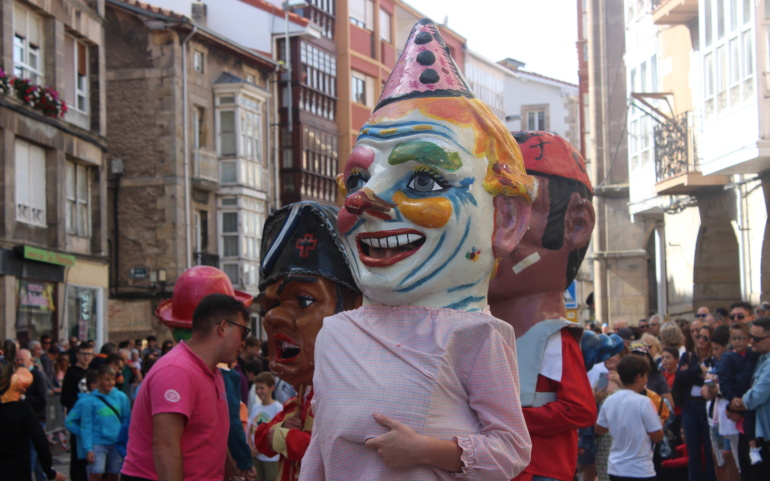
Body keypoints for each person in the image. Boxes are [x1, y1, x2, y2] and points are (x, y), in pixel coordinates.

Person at [302, 19, 533, 480]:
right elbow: (321, 449)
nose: (362, 200)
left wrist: (428, 450)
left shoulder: (473, 334)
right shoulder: (334, 335)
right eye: (358, 179)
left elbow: (511, 450)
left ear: (505, 220)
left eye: (423, 180)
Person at [488, 130, 597, 481]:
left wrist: (513, 419)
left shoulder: (553, 337)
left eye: (514, 208)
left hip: (540, 470)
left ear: (576, 223)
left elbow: (580, 408)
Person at [253, 201, 362, 481]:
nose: (273, 317)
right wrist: (287, 435)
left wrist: (283, 435)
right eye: (271, 305)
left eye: (303, 300)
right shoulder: (297, 401)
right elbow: (259, 438)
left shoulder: (357, 401)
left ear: (355, 306)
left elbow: (322, 449)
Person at [121, 293, 251, 481]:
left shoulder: (213, 372)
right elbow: (165, 446)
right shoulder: (177, 371)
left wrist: (231, 476)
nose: (244, 342)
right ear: (222, 328)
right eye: (244, 332)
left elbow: (212, 438)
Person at [596, 355, 664, 481]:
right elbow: (657, 436)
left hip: (616, 468)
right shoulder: (645, 403)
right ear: (639, 378)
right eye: (645, 376)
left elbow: (600, 428)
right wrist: (659, 424)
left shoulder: (610, 400)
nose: (646, 380)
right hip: (640, 469)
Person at [0, 360, 66, 481]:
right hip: (17, 469)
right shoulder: (22, 408)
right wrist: (49, 470)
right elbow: (39, 439)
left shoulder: (22, 407)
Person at [730, 317, 770, 478]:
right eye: (750, 337)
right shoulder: (759, 357)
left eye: (757, 338)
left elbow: (754, 397)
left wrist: (734, 405)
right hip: (755, 432)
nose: (751, 342)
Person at [720, 321, 761, 476]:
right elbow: (724, 382)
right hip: (737, 396)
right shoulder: (728, 357)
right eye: (734, 339)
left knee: (750, 419)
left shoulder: (754, 354)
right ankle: (752, 449)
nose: (737, 342)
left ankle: (753, 448)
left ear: (748, 338)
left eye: (741, 338)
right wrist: (732, 399)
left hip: (751, 394)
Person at [676, 324, 717, 481]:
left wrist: (690, 372)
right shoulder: (688, 356)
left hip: (707, 404)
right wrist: (699, 370)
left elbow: (711, 379)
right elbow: (680, 376)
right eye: (699, 336)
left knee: (709, 450)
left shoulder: (714, 359)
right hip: (690, 405)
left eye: (705, 338)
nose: (700, 340)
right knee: (693, 452)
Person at [78, 365, 130, 481]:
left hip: (116, 442)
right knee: (96, 473)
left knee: (114, 474)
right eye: (107, 379)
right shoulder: (89, 400)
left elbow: (126, 421)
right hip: (98, 442)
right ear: (99, 380)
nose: (111, 382)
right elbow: (86, 425)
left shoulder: (121, 397)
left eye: (112, 379)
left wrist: (126, 443)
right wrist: (88, 448)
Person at [61, 341, 94, 481]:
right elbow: (65, 398)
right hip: (77, 418)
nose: (86, 357)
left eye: (89, 354)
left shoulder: (93, 372)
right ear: (77, 355)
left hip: (92, 418)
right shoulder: (71, 373)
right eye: (83, 354)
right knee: (77, 452)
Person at [248, 372, 283, 481]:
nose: (258, 391)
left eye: (262, 388)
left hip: (271, 458)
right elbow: (250, 429)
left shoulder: (278, 408)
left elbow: (278, 433)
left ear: (271, 387)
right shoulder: (255, 407)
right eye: (256, 388)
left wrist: (261, 449)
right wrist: (250, 447)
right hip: (256, 456)